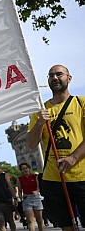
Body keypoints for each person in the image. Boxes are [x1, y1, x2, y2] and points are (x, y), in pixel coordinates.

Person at [27, 64, 85, 231]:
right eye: (51, 75)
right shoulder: (41, 110)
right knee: (66, 226)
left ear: (69, 78)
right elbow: (31, 144)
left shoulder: (81, 103)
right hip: (54, 179)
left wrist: (73, 158)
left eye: (59, 74)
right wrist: (39, 123)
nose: (55, 78)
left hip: (82, 176)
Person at [16, 163, 44, 231]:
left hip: (36, 197)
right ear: (21, 170)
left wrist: (37, 191)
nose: (25, 170)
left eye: (26, 168)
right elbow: (19, 190)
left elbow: (39, 187)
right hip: (27, 198)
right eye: (23, 169)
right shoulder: (20, 179)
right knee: (30, 221)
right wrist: (21, 198)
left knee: (39, 220)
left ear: (29, 168)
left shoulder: (35, 176)